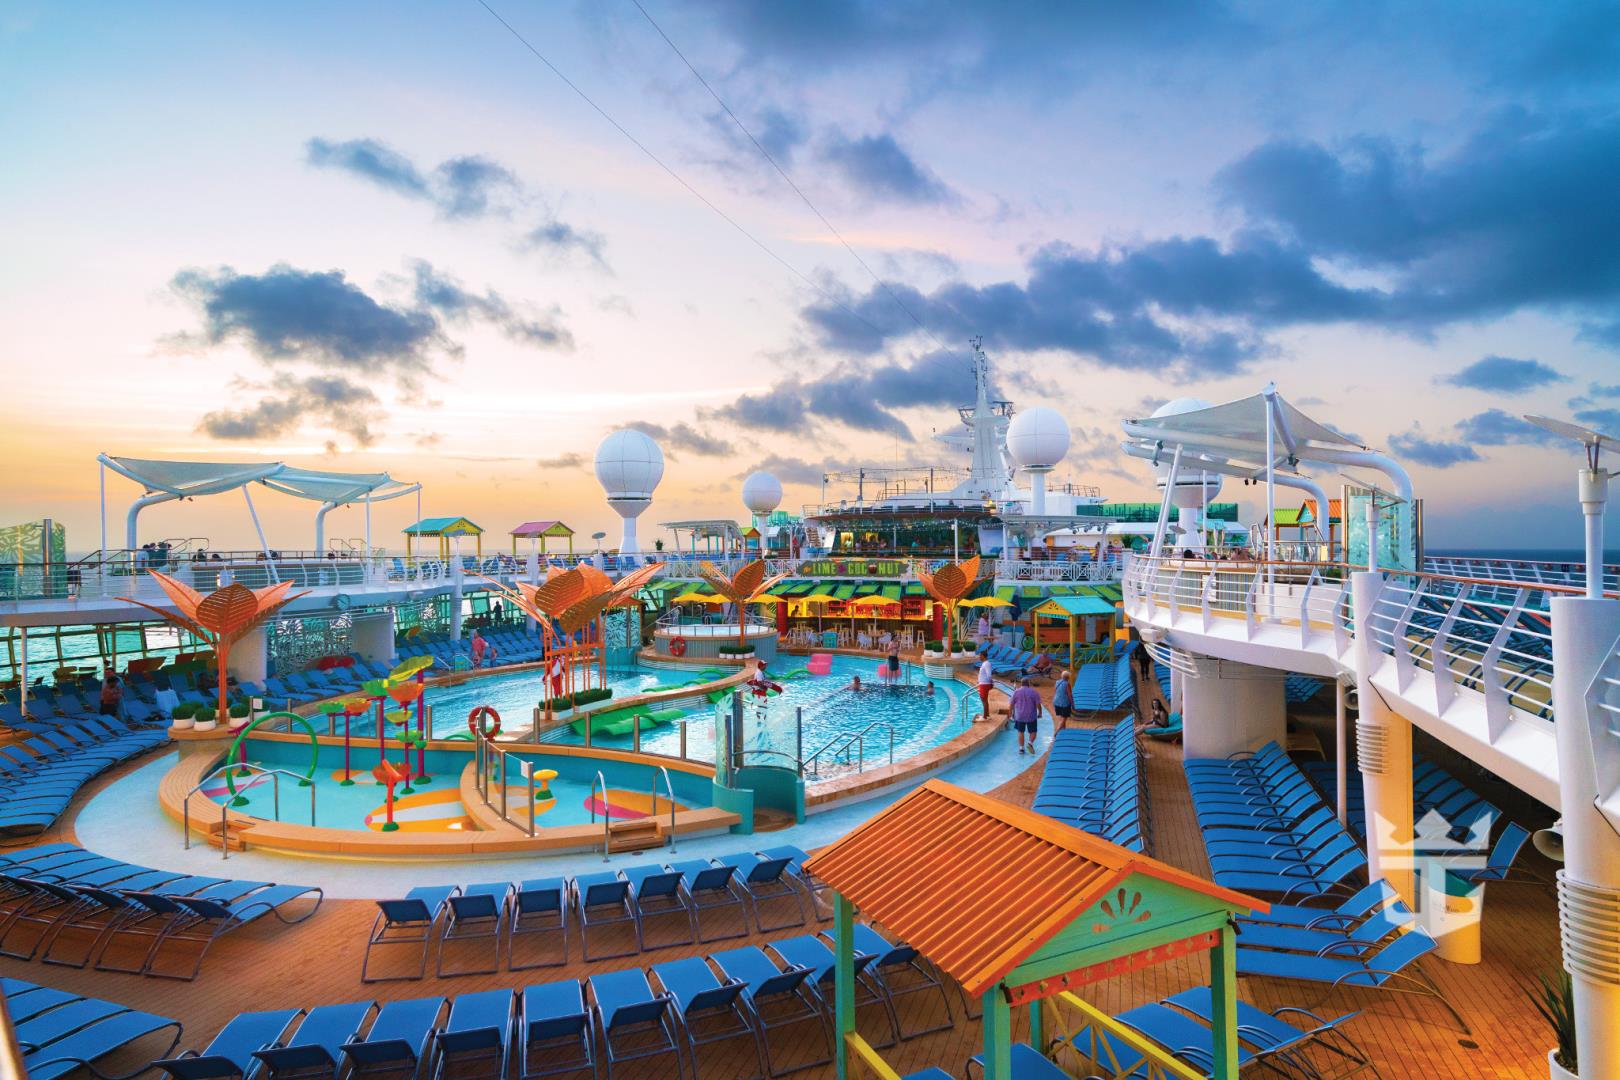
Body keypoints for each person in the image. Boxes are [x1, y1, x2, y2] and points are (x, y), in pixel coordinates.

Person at [1009, 676, 1042, 754]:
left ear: (1021, 684)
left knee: (1021, 732)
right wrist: (1040, 712)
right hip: (1031, 716)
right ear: (1029, 684)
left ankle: (1021, 749)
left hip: (1019, 716)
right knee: (1033, 731)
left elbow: (1011, 704)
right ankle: (1030, 743)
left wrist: (1010, 713)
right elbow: (1038, 704)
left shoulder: (1016, 692)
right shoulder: (1034, 692)